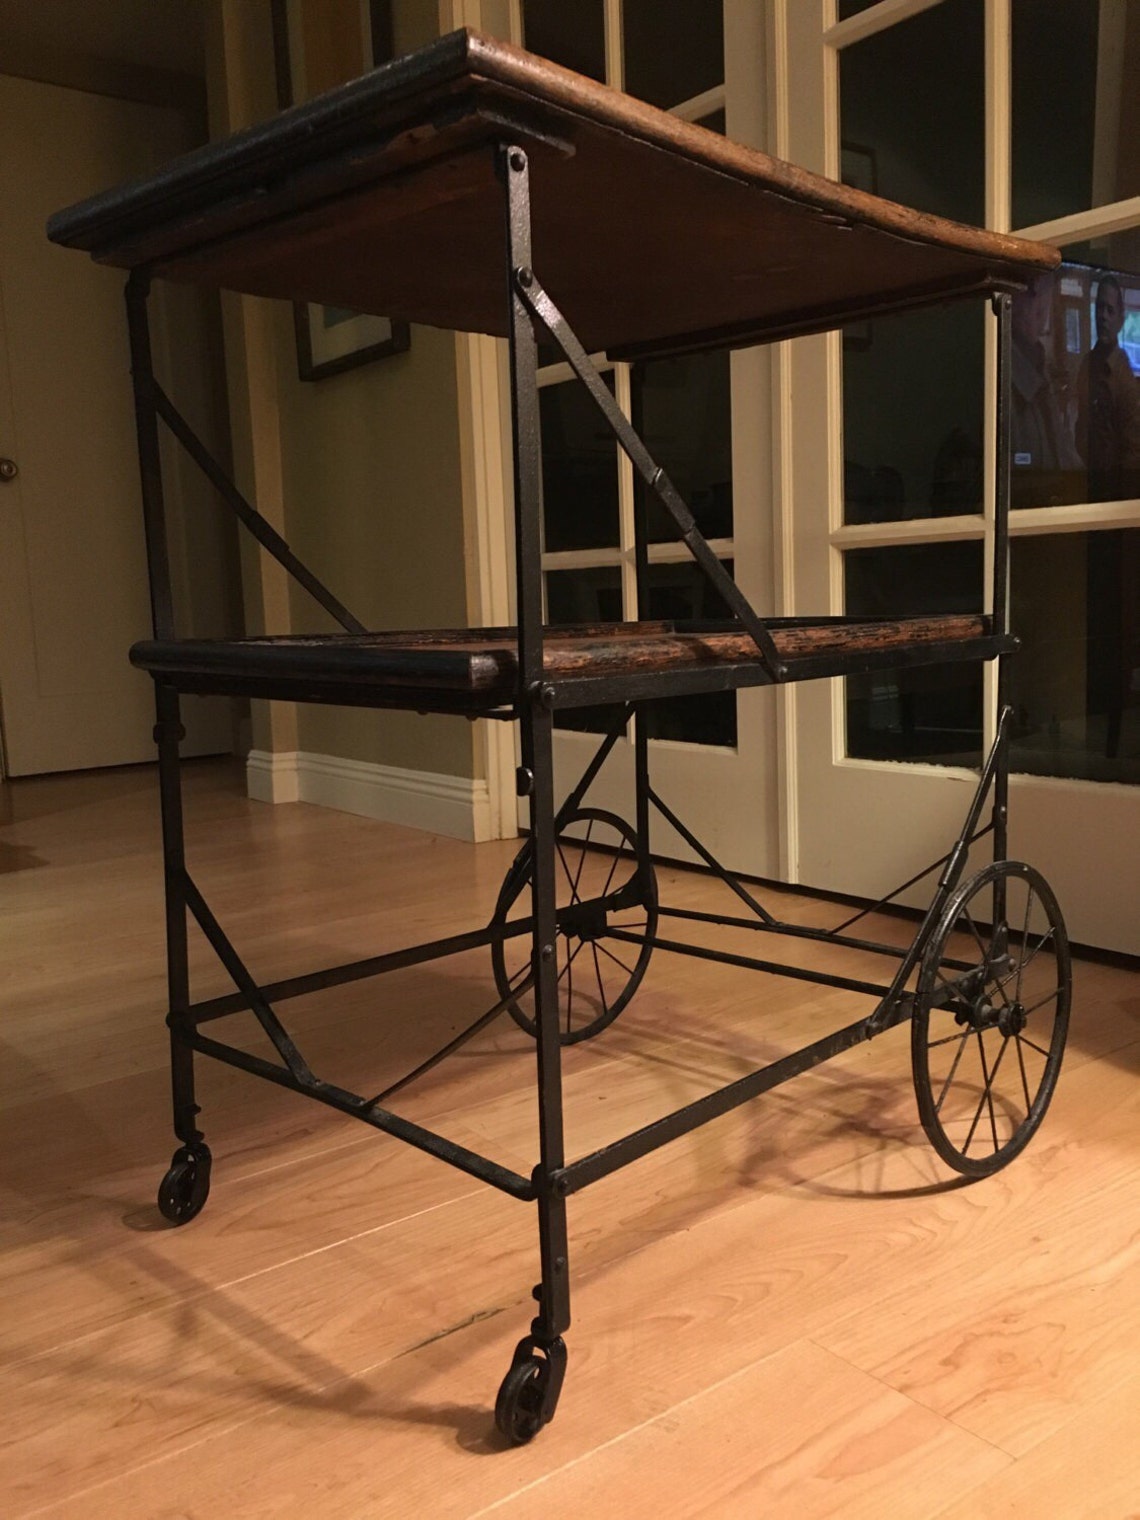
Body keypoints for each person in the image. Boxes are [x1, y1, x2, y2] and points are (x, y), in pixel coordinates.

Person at [1010, 271, 1082, 481]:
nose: (1043, 304)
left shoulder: (1039, 369)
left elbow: (1066, 461)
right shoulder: (1000, 373)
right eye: (1031, 288)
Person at [1075, 273, 1140, 501]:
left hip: (1113, 493)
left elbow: (1132, 452)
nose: (1103, 316)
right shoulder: (1086, 365)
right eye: (1099, 308)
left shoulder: (1124, 379)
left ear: (1121, 320)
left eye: (1110, 310)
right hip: (1085, 484)